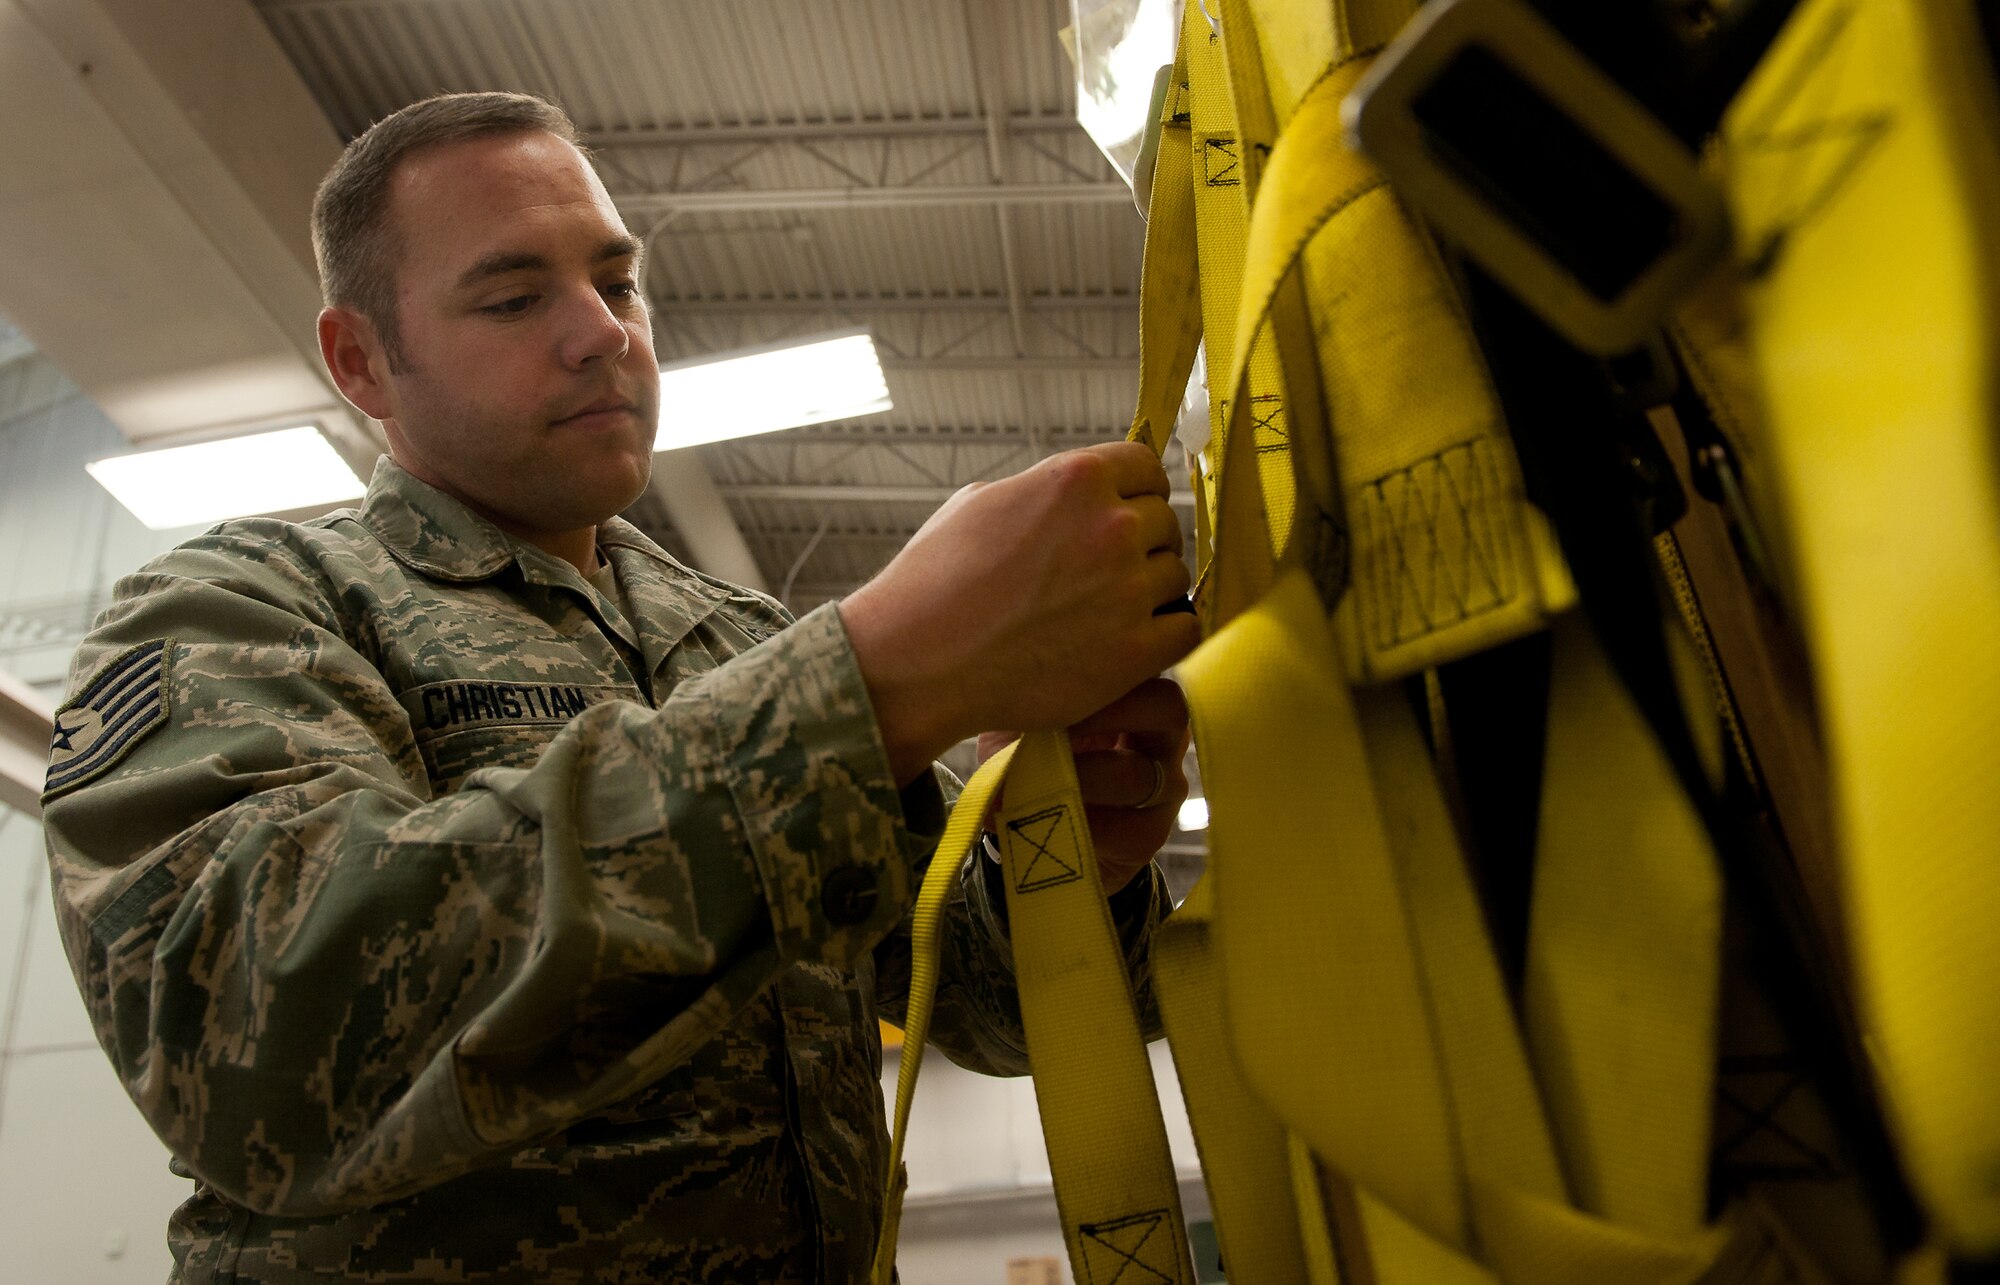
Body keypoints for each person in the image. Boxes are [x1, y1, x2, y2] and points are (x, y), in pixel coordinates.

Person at [39, 91, 1199, 1283]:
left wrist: (1071, 861)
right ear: (362, 360)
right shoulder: (245, 610)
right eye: (512, 297)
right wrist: (877, 676)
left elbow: (982, 1011)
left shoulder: (743, 640)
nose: (604, 333)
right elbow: (259, 1041)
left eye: (618, 282)